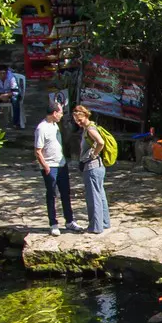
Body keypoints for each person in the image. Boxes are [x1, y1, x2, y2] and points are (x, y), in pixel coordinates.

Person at [69, 104, 110, 233]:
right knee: (100, 195)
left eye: (80, 120)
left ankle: (95, 227)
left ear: (86, 116)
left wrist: (93, 154)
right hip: (98, 167)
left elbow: (101, 143)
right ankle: (104, 223)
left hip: (92, 168)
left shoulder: (90, 129)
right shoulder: (92, 126)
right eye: (76, 121)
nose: (79, 123)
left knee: (93, 197)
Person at [34, 100, 73, 235]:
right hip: (50, 166)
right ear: (55, 113)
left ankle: (69, 221)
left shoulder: (55, 125)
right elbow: (38, 150)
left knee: (66, 193)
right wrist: (45, 167)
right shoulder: (41, 128)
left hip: (61, 164)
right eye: (61, 112)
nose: (62, 115)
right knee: (52, 194)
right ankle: (53, 223)